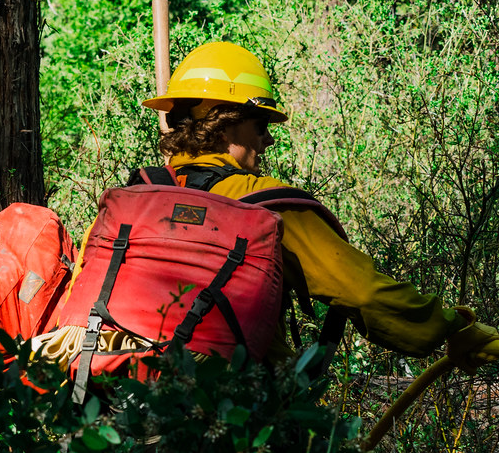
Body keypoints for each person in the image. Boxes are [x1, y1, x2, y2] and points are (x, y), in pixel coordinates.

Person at [39, 41, 499, 377]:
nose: (267, 138)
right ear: (229, 123)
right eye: (261, 123)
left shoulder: (131, 197)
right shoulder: (268, 206)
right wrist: (454, 329)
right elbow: (366, 294)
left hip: (101, 396)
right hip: (234, 419)